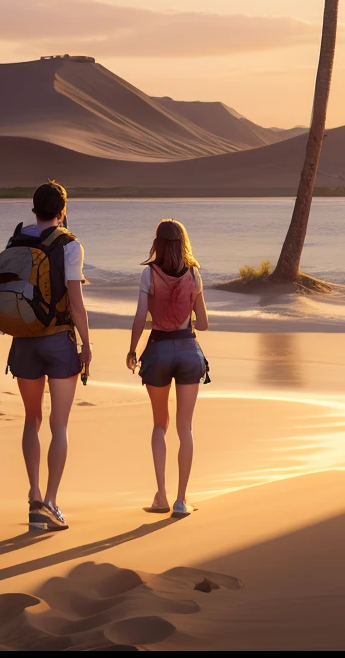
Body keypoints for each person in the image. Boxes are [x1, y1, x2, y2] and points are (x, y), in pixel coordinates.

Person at [8, 180, 90, 533]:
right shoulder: (69, 245)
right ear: (63, 210)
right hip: (58, 341)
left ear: (33, 210)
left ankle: (33, 495)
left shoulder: (16, 239)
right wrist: (87, 344)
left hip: (23, 340)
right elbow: (75, 301)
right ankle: (51, 503)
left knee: (31, 421)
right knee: (59, 424)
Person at [126, 218, 209, 516]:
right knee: (184, 428)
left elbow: (139, 317)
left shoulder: (149, 274)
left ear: (157, 243)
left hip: (158, 349)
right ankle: (181, 500)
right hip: (188, 350)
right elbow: (204, 323)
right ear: (183, 242)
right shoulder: (195, 274)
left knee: (160, 424)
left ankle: (160, 496)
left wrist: (133, 350)